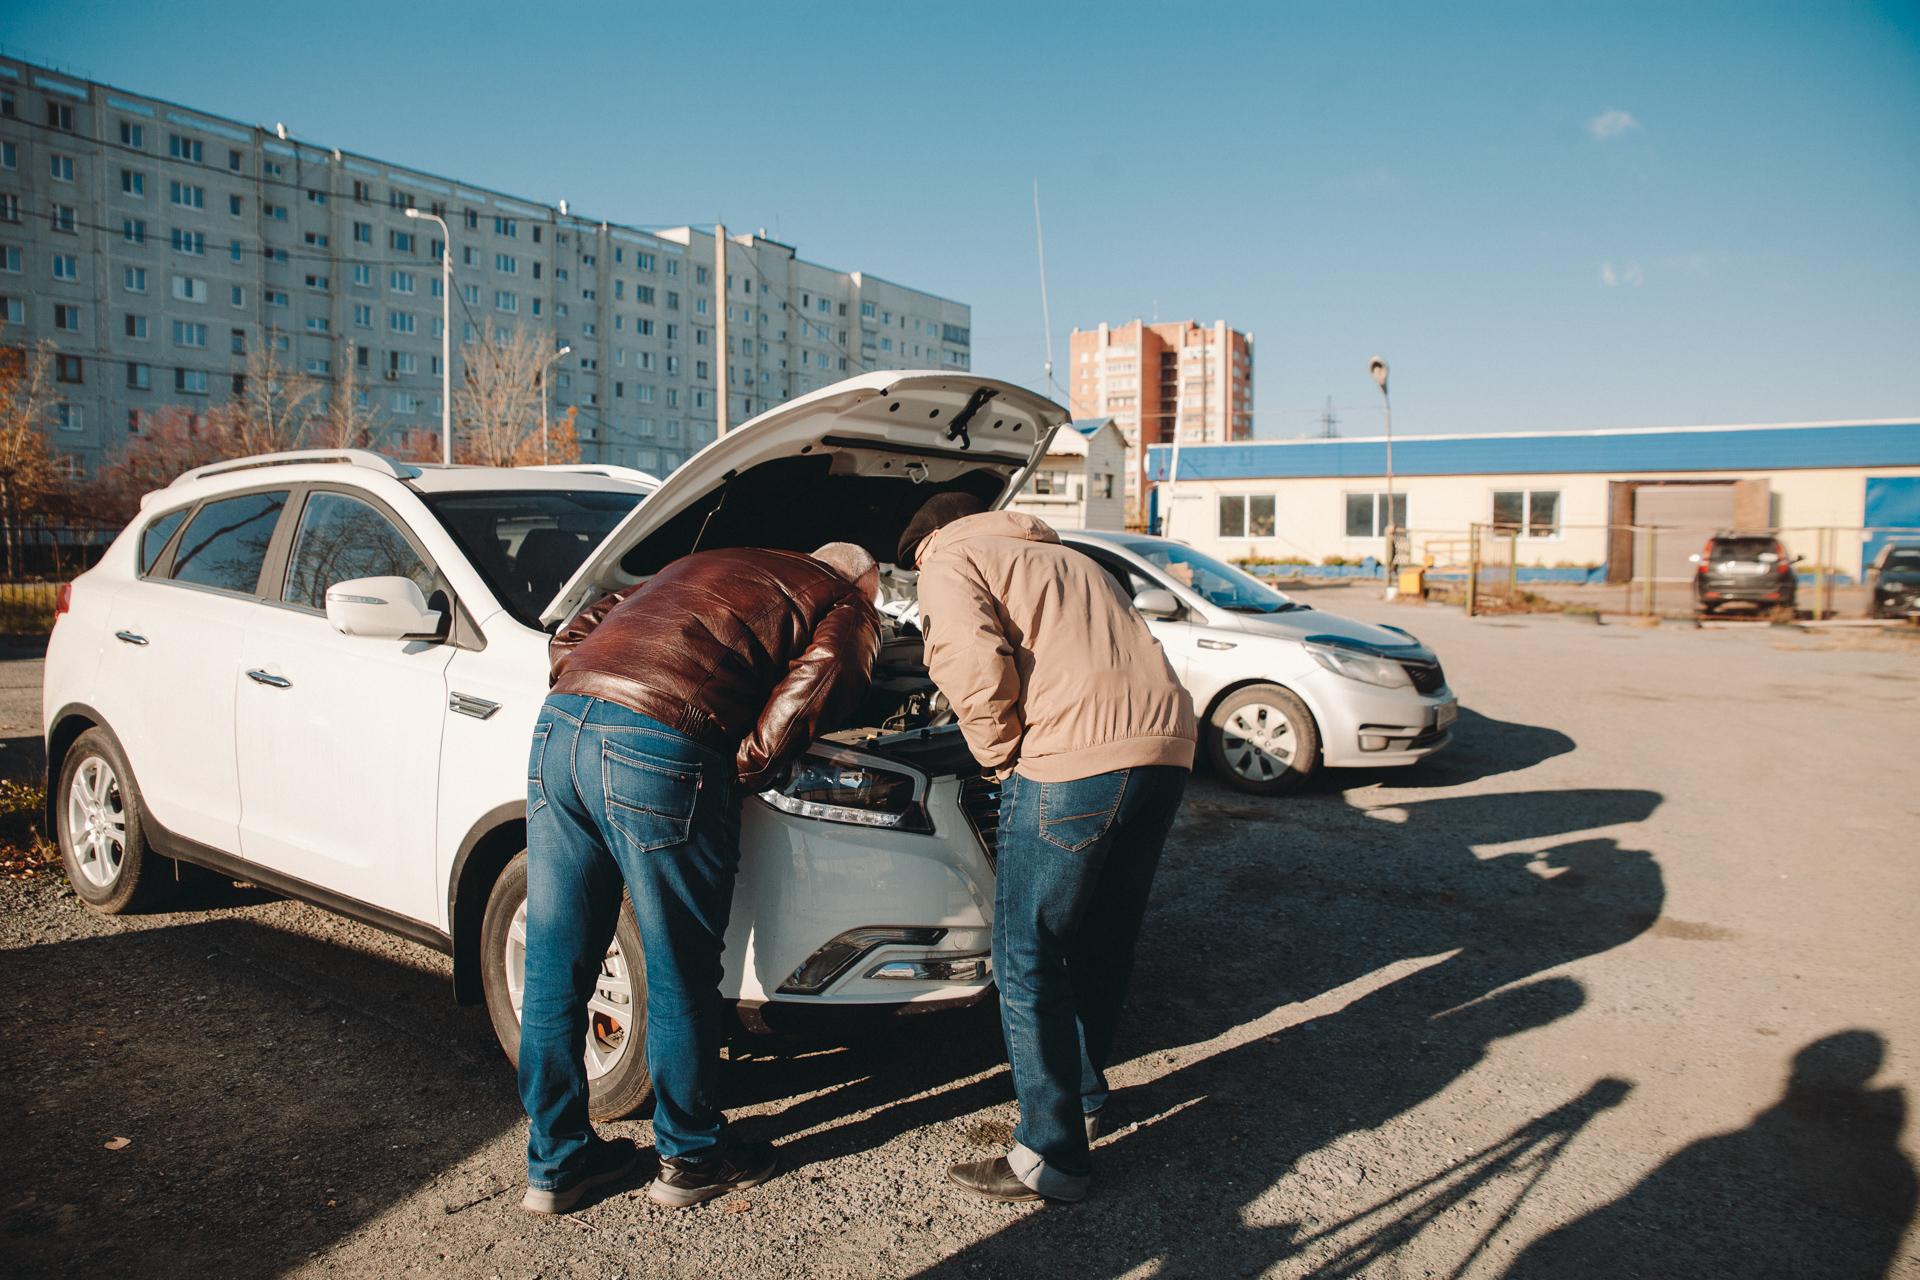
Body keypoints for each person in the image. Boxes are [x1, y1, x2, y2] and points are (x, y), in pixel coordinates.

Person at [518, 541, 882, 1213]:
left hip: (560, 725)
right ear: (869, 579)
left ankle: (557, 1163)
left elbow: (576, 627)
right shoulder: (843, 600)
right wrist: (726, 767)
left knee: (555, 956)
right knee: (679, 961)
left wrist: (595, 685)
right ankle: (690, 1156)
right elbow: (808, 698)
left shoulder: (696, 565)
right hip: (659, 745)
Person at [898, 493, 1197, 1203]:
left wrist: (1000, 758)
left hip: (1075, 756)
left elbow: (971, 662)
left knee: (1026, 952)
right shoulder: (1071, 558)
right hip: (1167, 747)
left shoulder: (951, 555)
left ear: (925, 539)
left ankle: (1050, 1154)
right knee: (1102, 937)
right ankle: (1086, 1096)